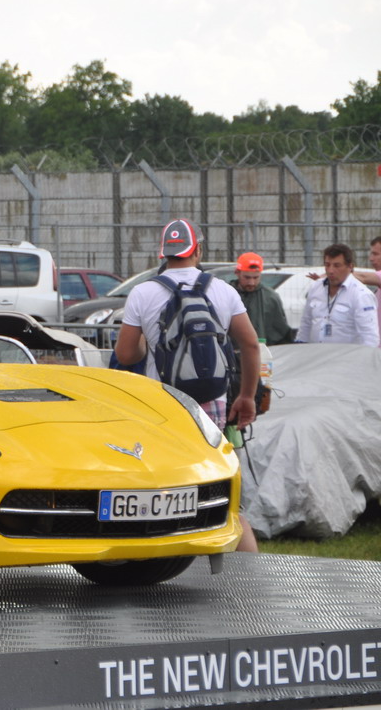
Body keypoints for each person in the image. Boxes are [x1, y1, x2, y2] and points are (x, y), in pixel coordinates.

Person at [114, 218, 260, 553]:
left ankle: (164, 558)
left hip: (161, 403)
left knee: (163, 486)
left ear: (163, 252)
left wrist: (147, 344)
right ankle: (248, 568)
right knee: (221, 489)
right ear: (198, 250)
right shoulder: (223, 290)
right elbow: (250, 345)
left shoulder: (143, 292)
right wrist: (247, 396)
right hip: (212, 402)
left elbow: (125, 354)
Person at [295, 243, 379, 347]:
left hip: (346, 356)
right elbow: (306, 323)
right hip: (316, 354)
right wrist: (299, 347)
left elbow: (370, 337)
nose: (331, 270)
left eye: (337, 265)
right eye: (327, 265)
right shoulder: (316, 287)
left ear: (350, 267)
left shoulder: (361, 295)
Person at [232, 252, 295, 345]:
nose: (251, 283)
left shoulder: (270, 297)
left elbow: (280, 331)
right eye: (247, 277)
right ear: (237, 273)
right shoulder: (227, 294)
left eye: (255, 278)